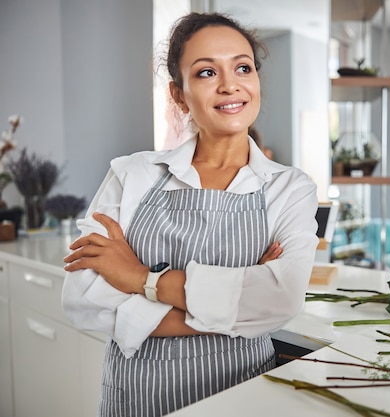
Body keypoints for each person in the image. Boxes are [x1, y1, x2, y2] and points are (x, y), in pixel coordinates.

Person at [62, 12, 319, 417]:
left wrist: (139, 278)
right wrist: (238, 300)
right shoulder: (131, 174)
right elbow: (84, 299)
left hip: (244, 393)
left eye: (242, 67)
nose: (229, 84)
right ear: (178, 94)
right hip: (137, 397)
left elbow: (281, 299)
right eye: (205, 72)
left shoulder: (290, 188)